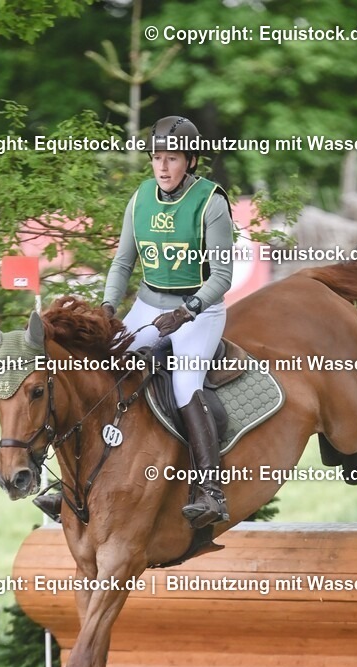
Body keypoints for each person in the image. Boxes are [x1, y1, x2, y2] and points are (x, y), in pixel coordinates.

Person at [102, 115, 234, 529]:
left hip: (198, 310)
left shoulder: (211, 202)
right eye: (157, 157)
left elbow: (223, 276)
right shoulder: (140, 198)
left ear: (190, 161)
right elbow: (123, 262)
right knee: (103, 366)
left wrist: (186, 311)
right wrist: (108, 309)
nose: (162, 167)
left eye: (171, 158)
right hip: (148, 303)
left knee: (183, 383)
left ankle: (210, 490)